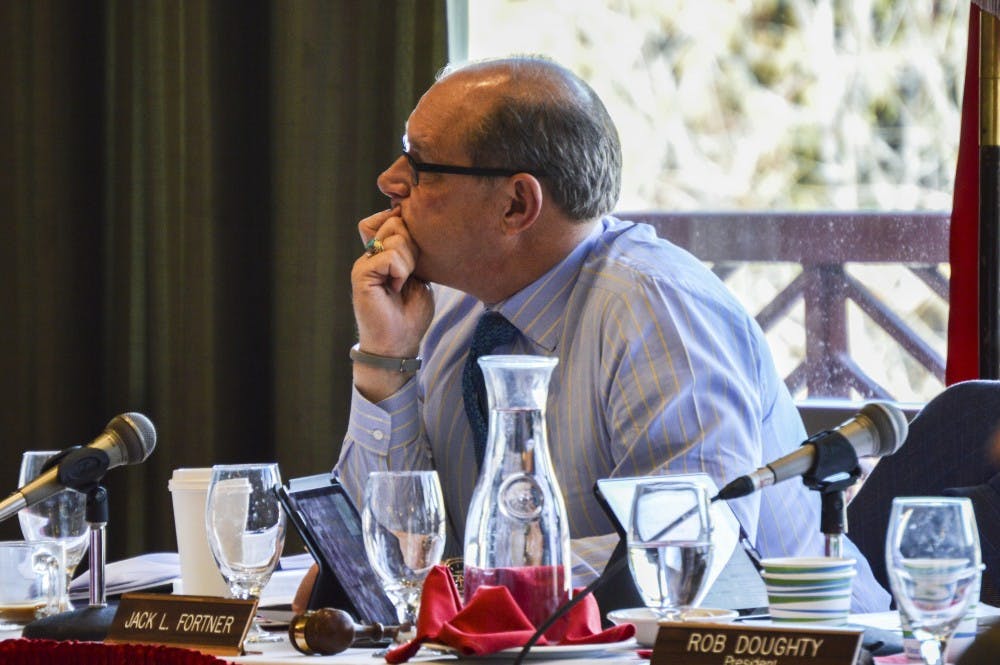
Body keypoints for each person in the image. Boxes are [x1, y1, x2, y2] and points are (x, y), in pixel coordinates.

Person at [293, 55, 889, 614]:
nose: (388, 180)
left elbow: (686, 550)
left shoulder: (656, 309)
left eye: (420, 166)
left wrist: (462, 583)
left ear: (516, 204)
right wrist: (387, 358)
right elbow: (372, 564)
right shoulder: (445, 308)